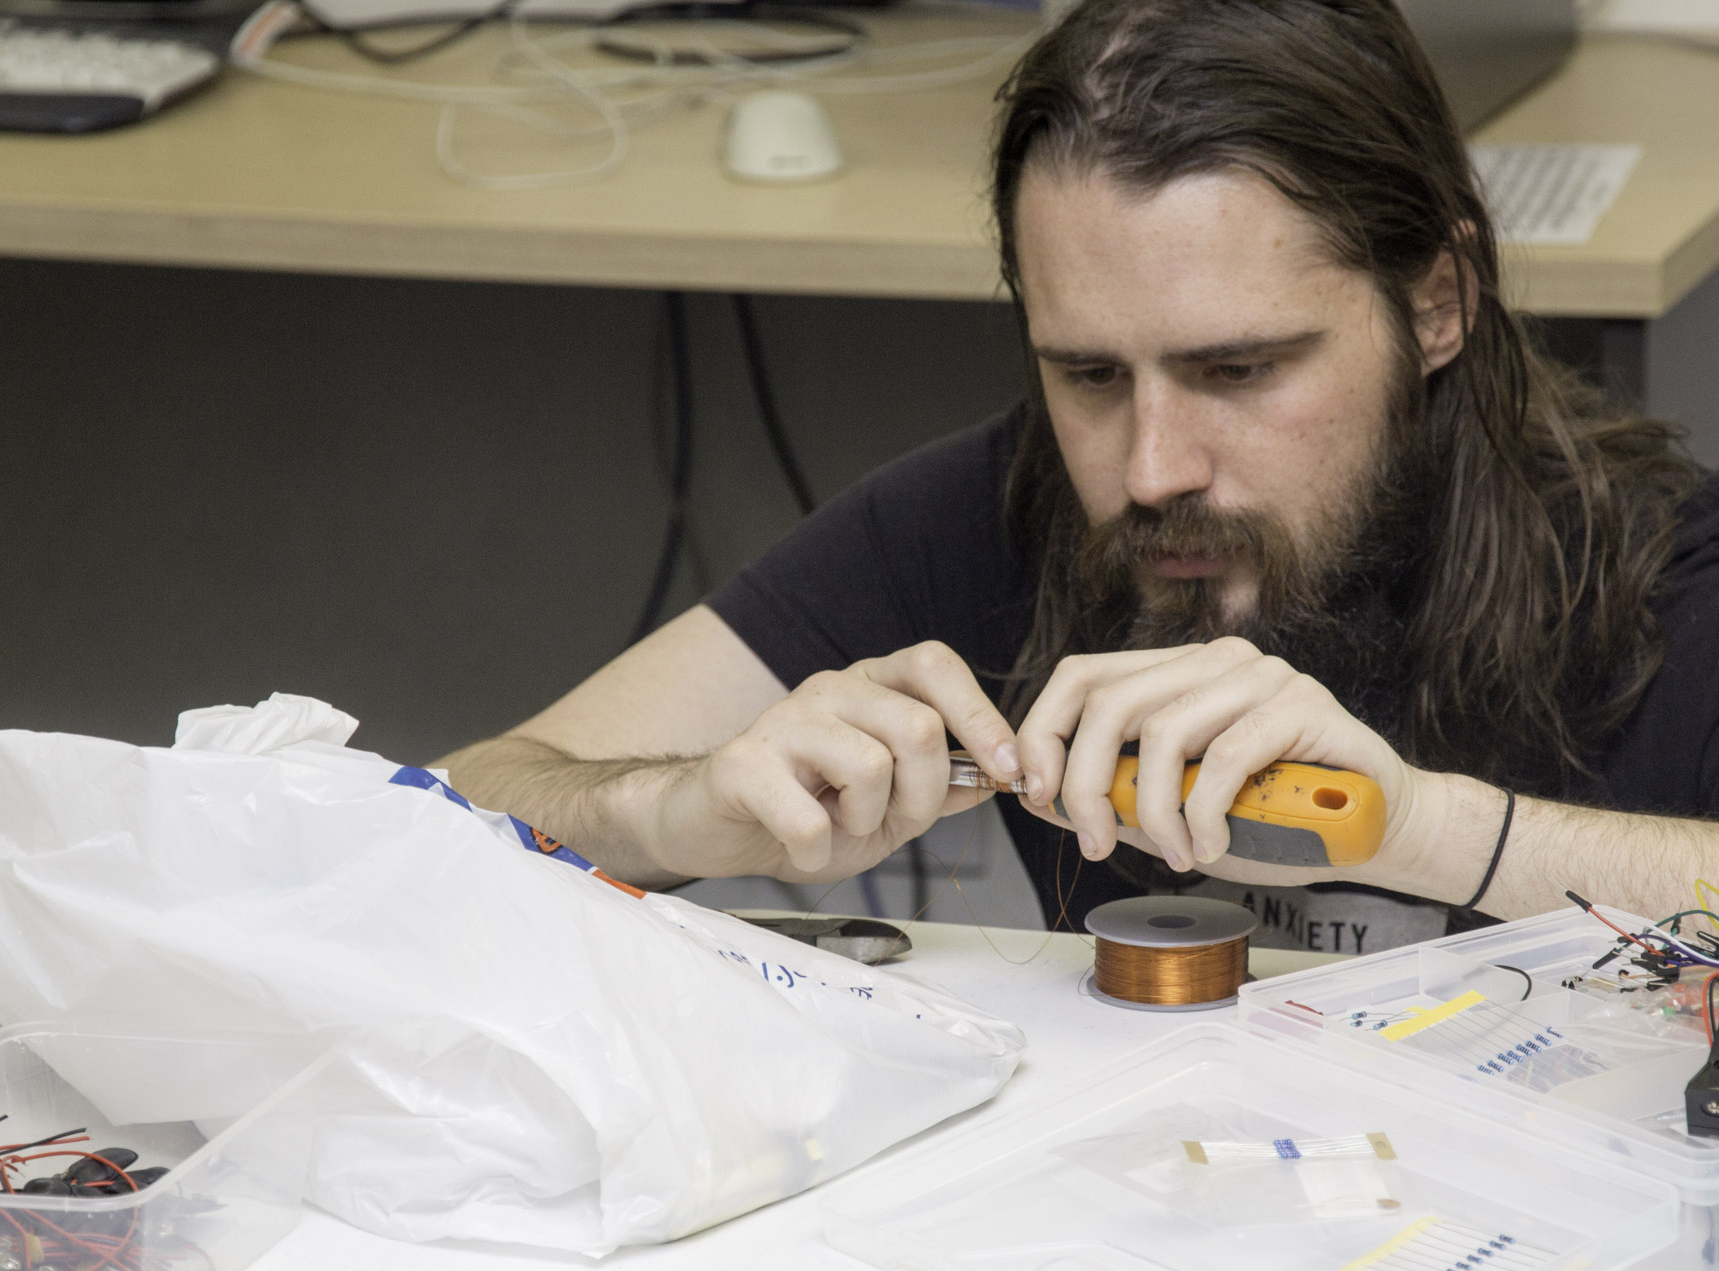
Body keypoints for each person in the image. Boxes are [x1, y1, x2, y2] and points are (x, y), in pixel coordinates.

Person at [441, 0, 1718, 953]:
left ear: (1438, 303)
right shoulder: (992, 513)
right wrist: (669, 813)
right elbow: (449, 807)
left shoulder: (1664, 570)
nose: (1152, 471)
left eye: (1238, 368)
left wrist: (1426, 828)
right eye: (1091, 374)